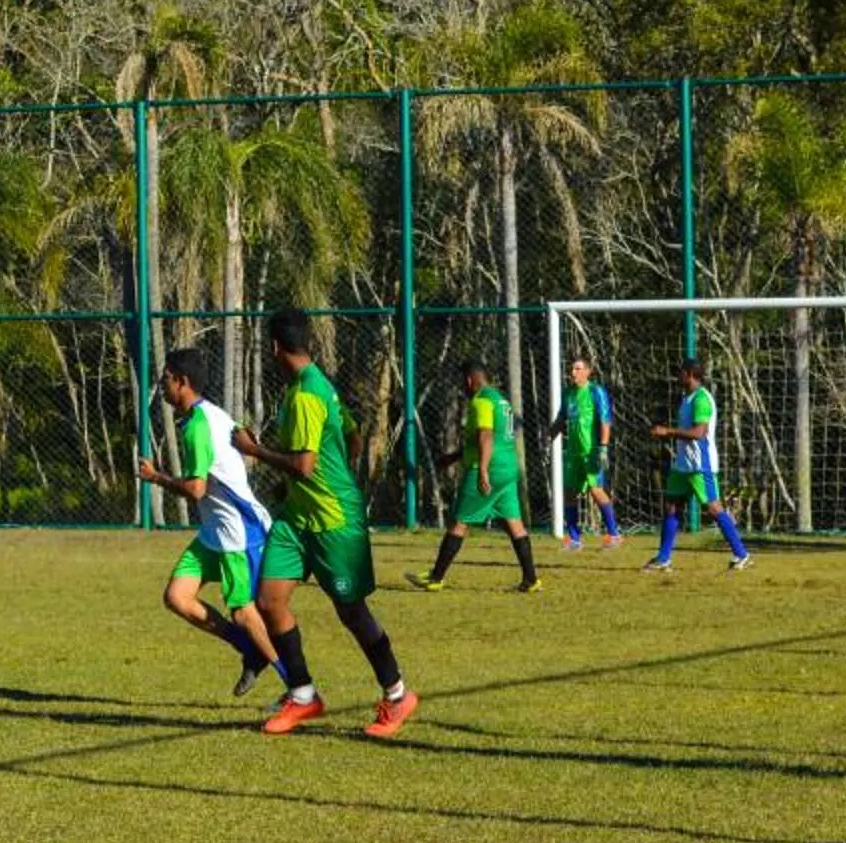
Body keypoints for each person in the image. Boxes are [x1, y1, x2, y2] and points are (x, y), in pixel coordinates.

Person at [232, 310, 419, 739]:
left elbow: (303, 465)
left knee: (352, 612)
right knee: (269, 600)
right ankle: (302, 695)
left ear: (275, 347)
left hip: (334, 521)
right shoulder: (316, 386)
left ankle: (397, 695)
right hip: (298, 519)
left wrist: (254, 450)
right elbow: (352, 438)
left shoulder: (306, 396)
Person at [135, 348, 280, 699]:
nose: (162, 386)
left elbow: (196, 489)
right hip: (214, 531)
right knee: (177, 596)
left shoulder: (198, 426)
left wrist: (156, 478)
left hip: (237, 533)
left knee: (245, 612)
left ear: (182, 382)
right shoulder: (211, 413)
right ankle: (249, 650)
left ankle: (298, 687)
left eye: (165, 379)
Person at [408, 361, 538, 593]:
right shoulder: (500, 399)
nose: (463, 387)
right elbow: (489, 437)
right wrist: (454, 457)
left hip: (488, 468)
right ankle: (531, 580)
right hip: (508, 468)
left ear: (470, 380)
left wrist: (484, 470)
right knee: (514, 523)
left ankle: (436, 577)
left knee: (459, 522)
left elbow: (486, 435)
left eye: (463, 382)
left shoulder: (482, 401)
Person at [647, 356, 751, 572]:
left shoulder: (701, 399)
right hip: (683, 464)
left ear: (689, 374)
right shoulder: (687, 398)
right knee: (671, 507)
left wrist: (668, 432)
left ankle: (742, 554)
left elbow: (698, 433)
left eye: (680, 373)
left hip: (700, 465)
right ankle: (663, 558)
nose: (677, 376)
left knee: (713, 508)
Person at [552, 356, 623, 549]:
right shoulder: (568, 394)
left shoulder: (595, 391)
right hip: (573, 453)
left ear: (588, 371)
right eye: (571, 369)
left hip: (591, 452)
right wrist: (549, 437)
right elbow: (561, 418)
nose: (573, 373)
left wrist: (603, 448)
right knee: (569, 493)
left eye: (577, 369)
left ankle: (614, 533)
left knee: (596, 491)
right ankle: (574, 539)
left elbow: (605, 419)